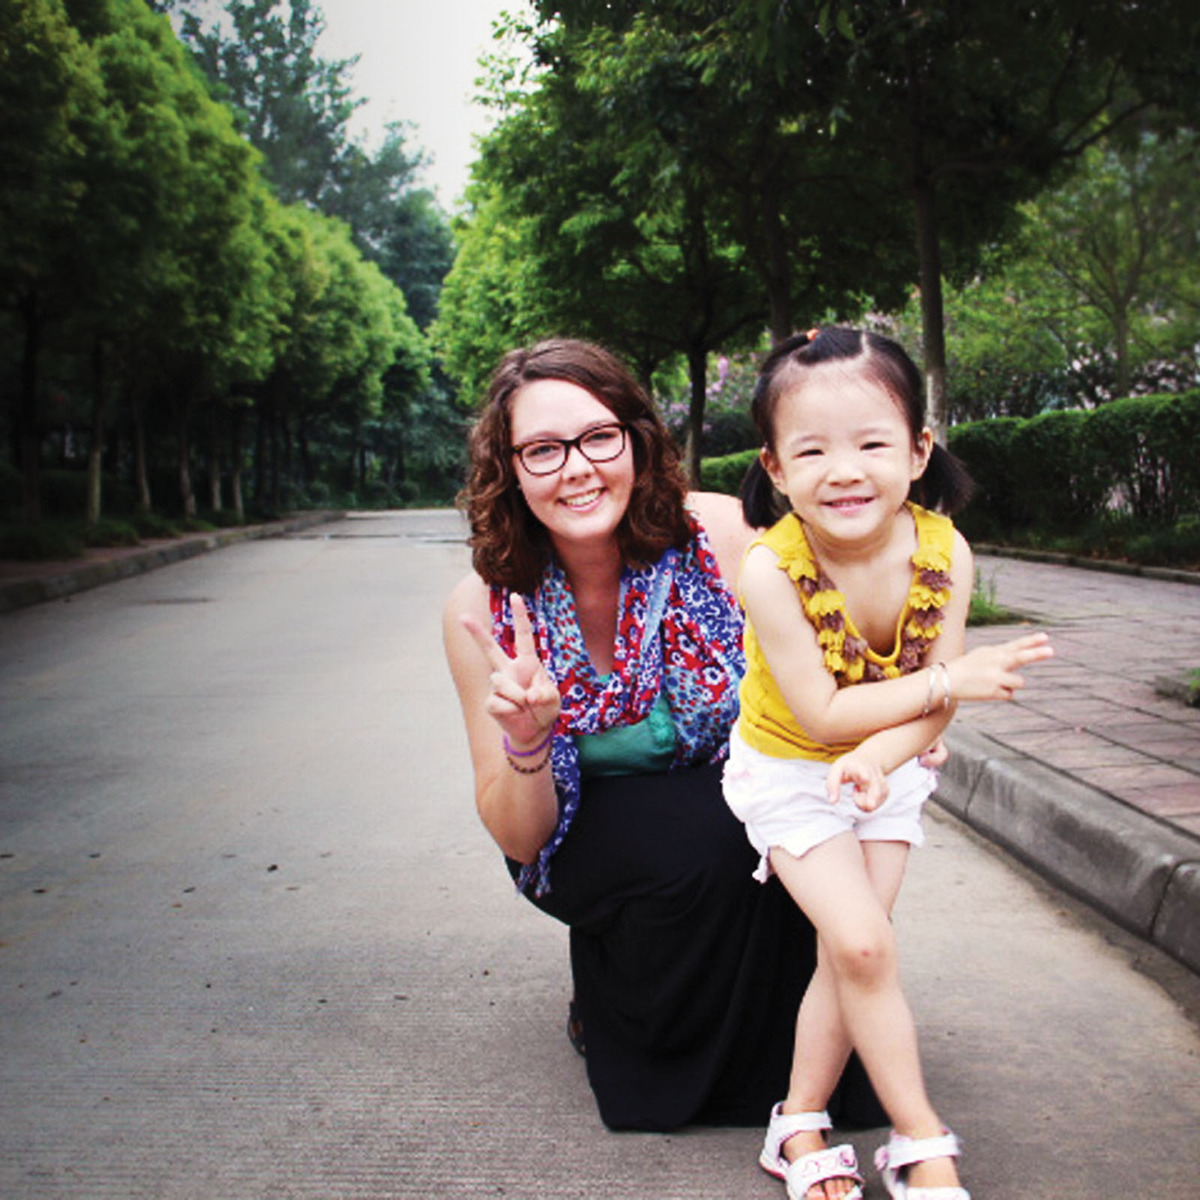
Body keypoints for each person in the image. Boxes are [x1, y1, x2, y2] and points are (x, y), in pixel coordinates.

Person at [442, 337, 885, 1133]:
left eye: (598, 437)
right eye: (542, 450)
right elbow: (520, 835)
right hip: (586, 832)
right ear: (508, 469)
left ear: (637, 440)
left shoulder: (723, 535)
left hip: (742, 790)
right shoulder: (485, 607)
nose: (576, 467)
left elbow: (848, 635)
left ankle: (809, 1063)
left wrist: (907, 714)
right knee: (695, 836)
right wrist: (528, 738)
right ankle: (652, 1041)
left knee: (796, 826)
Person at [723, 327, 1053, 1200]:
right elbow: (825, 712)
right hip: (789, 771)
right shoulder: (770, 570)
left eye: (872, 443)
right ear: (776, 468)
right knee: (866, 942)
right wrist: (938, 691)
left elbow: (930, 709)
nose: (845, 470)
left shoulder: (944, 552)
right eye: (813, 449)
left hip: (891, 764)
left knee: (850, 954)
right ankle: (921, 1138)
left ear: (917, 450)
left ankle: (796, 1123)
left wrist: (888, 750)